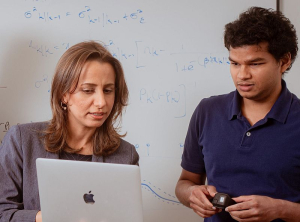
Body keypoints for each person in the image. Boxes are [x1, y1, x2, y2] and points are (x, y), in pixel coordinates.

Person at [175, 7, 300, 222]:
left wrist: (281, 209)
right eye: (234, 63)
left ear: (284, 61)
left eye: (255, 63)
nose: (242, 75)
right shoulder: (207, 111)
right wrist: (191, 195)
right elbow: (185, 182)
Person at [0, 41, 139, 222]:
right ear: (63, 95)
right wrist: (47, 217)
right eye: (88, 90)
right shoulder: (21, 140)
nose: (101, 102)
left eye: (108, 90)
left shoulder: (126, 155)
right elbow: (3, 213)